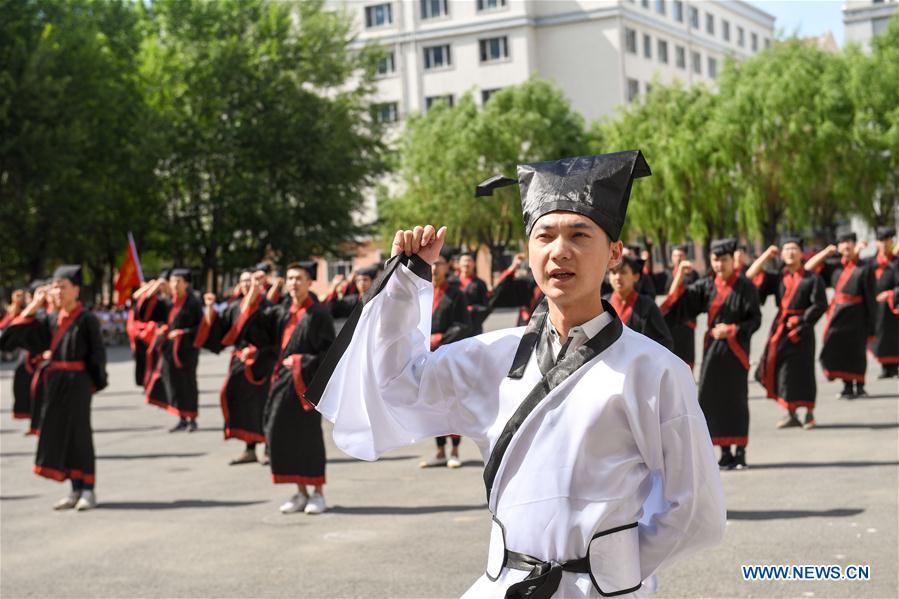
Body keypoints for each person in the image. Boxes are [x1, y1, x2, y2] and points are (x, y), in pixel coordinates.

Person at [307, 151, 725, 597]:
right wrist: (406, 283)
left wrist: (612, 567)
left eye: (580, 235)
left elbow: (695, 508)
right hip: (504, 584)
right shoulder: (492, 355)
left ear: (615, 252)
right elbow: (396, 388)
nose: (559, 250)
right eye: (544, 235)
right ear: (528, 252)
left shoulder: (653, 369)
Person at [0, 265, 107, 511]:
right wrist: (34, 305)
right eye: (55, 287)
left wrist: (91, 382)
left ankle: (88, 489)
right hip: (55, 381)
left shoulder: (86, 319)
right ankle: (74, 488)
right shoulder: (51, 319)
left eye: (63, 287)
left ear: (76, 290)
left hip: (78, 380)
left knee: (80, 435)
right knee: (60, 433)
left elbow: (97, 355)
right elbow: (9, 339)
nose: (58, 292)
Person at [664, 238, 762, 470]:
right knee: (711, 397)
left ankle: (740, 452)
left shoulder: (745, 286)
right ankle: (724, 451)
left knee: (736, 399)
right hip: (712, 351)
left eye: (724, 260)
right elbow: (681, 304)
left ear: (732, 260)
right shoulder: (707, 285)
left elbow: (755, 318)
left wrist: (732, 330)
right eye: (715, 261)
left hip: (735, 350)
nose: (720, 265)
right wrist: (680, 276)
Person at [257, 262, 334, 515]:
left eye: (299, 278)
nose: (293, 283)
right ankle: (300, 492)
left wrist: (302, 361)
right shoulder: (283, 312)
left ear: (309, 282)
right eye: (290, 278)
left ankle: (318, 493)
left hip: (306, 385)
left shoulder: (319, 314)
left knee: (308, 439)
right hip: (283, 383)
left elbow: (330, 355)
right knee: (282, 434)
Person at [195, 269, 277, 464]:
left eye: (250, 281)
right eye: (243, 281)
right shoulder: (234, 308)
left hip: (263, 364)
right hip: (240, 363)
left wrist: (259, 352)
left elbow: (278, 340)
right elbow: (219, 333)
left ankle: (268, 449)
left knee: (263, 406)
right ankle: (249, 449)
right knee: (241, 404)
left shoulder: (268, 308)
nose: (247, 284)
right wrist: (210, 308)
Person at [746, 237, 827, 430]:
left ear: (801, 253)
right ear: (781, 254)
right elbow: (749, 278)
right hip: (781, 329)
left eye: (794, 249)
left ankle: (808, 413)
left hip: (803, 330)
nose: (790, 252)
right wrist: (765, 256)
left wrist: (801, 320)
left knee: (804, 370)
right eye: (787, 249)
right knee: (784, 370)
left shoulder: (812, 278)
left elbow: (820, 305)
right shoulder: (777, 277)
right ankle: (791, 413)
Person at [805, 231, 876, 398]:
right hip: (838, 315)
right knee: (839, 349)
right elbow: (808, 268)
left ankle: (859, 385)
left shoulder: (864, 267)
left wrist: (871, 321)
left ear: (854, 244)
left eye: (849, 242)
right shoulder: (834, 266)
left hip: (858, 314)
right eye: (843, 242)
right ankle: (846, 386)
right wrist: (824, 253)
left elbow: (870, 296)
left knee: (857, 350)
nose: (846, 245)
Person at [421, 247, 472, 469]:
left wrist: (440, 337)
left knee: (452, 402)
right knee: (432, 404)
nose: (434, 268)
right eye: (431, 264)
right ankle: (439, 450)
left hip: (449, 354)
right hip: (427, 357)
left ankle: (455, 450)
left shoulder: (456, 293)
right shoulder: (422, 293)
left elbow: (463, 324)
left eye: (439, 263)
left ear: (446, 266)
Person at [142, 269, 203, 431]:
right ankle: (181, 417)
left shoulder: (193, 303)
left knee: (188, 382)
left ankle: (192, 418)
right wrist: (154, 289)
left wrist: (183, 333)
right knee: (173, 382)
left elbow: (201, 327)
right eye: (173, 281)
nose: (175, 285)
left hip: (187, 349)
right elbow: (146, 313)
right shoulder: (168, 302)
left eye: (179, 281)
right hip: (170, 349)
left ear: (186, 284)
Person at [606, 255, 673, 349]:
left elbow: (666, 342)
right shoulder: (602, 305)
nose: (617, 277)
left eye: (623, 272)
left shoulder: (647, 305)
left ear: (636, 277)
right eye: (613, 272)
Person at [657, 244, 701, 370]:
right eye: (675, 255)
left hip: (687, 322)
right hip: (669, 323)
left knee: (687, 359)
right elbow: (669, 296)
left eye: (681, 255)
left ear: (686, 256)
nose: (678, 258)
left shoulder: (693, 275)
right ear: (671, 257)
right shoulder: (667, 275)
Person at [870, 226, 899, 378]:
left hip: (893, 305)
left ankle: (895, 366)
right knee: (879, 337)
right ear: (876, 243)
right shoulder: (870, 263)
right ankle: (885, 367)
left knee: (894, 337)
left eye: (888, 240)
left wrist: (890, 294)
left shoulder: (896, 263)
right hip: (876, 308)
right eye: (881, 241)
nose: (885, 244)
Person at [457, 253, 490, 335]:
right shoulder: (451, 282)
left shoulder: (480, 284)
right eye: (464, 261)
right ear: (459, 264)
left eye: (469, 261)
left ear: (474, 264)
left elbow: (486, 307)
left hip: (473, 327)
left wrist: (472, 309)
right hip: (454, 328)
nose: (466, 263)